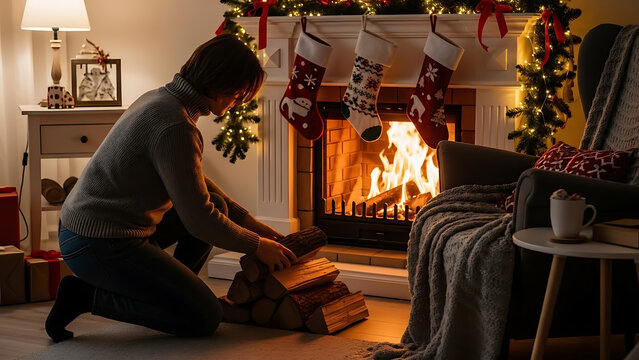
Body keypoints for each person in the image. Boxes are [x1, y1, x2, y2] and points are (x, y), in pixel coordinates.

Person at [45, 34, 297, 342]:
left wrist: (252, 224)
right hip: (97, 243)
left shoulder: (162, 98)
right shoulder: (174, 125)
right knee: (204, 317)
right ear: (220, 84)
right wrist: (257, 245)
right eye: (239, 94)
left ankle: (168, 294)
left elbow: (194, 182)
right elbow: (198, 219)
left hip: (102, 230)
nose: (238, 103)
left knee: (218, 202)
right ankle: (84, 296)